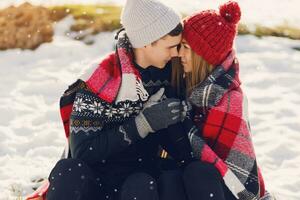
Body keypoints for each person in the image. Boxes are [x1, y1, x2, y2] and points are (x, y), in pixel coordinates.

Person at [27, 0, 194, 200]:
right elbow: (83, 151)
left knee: (142, 183)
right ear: (146, 42)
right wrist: (142, 124)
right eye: (170, 47)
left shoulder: (170, 75)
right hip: (93, 178)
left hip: (137, 177)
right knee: (68, 170)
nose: (176, 54)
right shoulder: (100, 80)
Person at [172, 1, 273, 200]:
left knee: (198, 172)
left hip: (229, 188)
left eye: (185, 47)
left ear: (203, 55)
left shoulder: (230, 100)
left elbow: (234, 169)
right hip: (203, 185)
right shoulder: (189, 88)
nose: (179, 53)